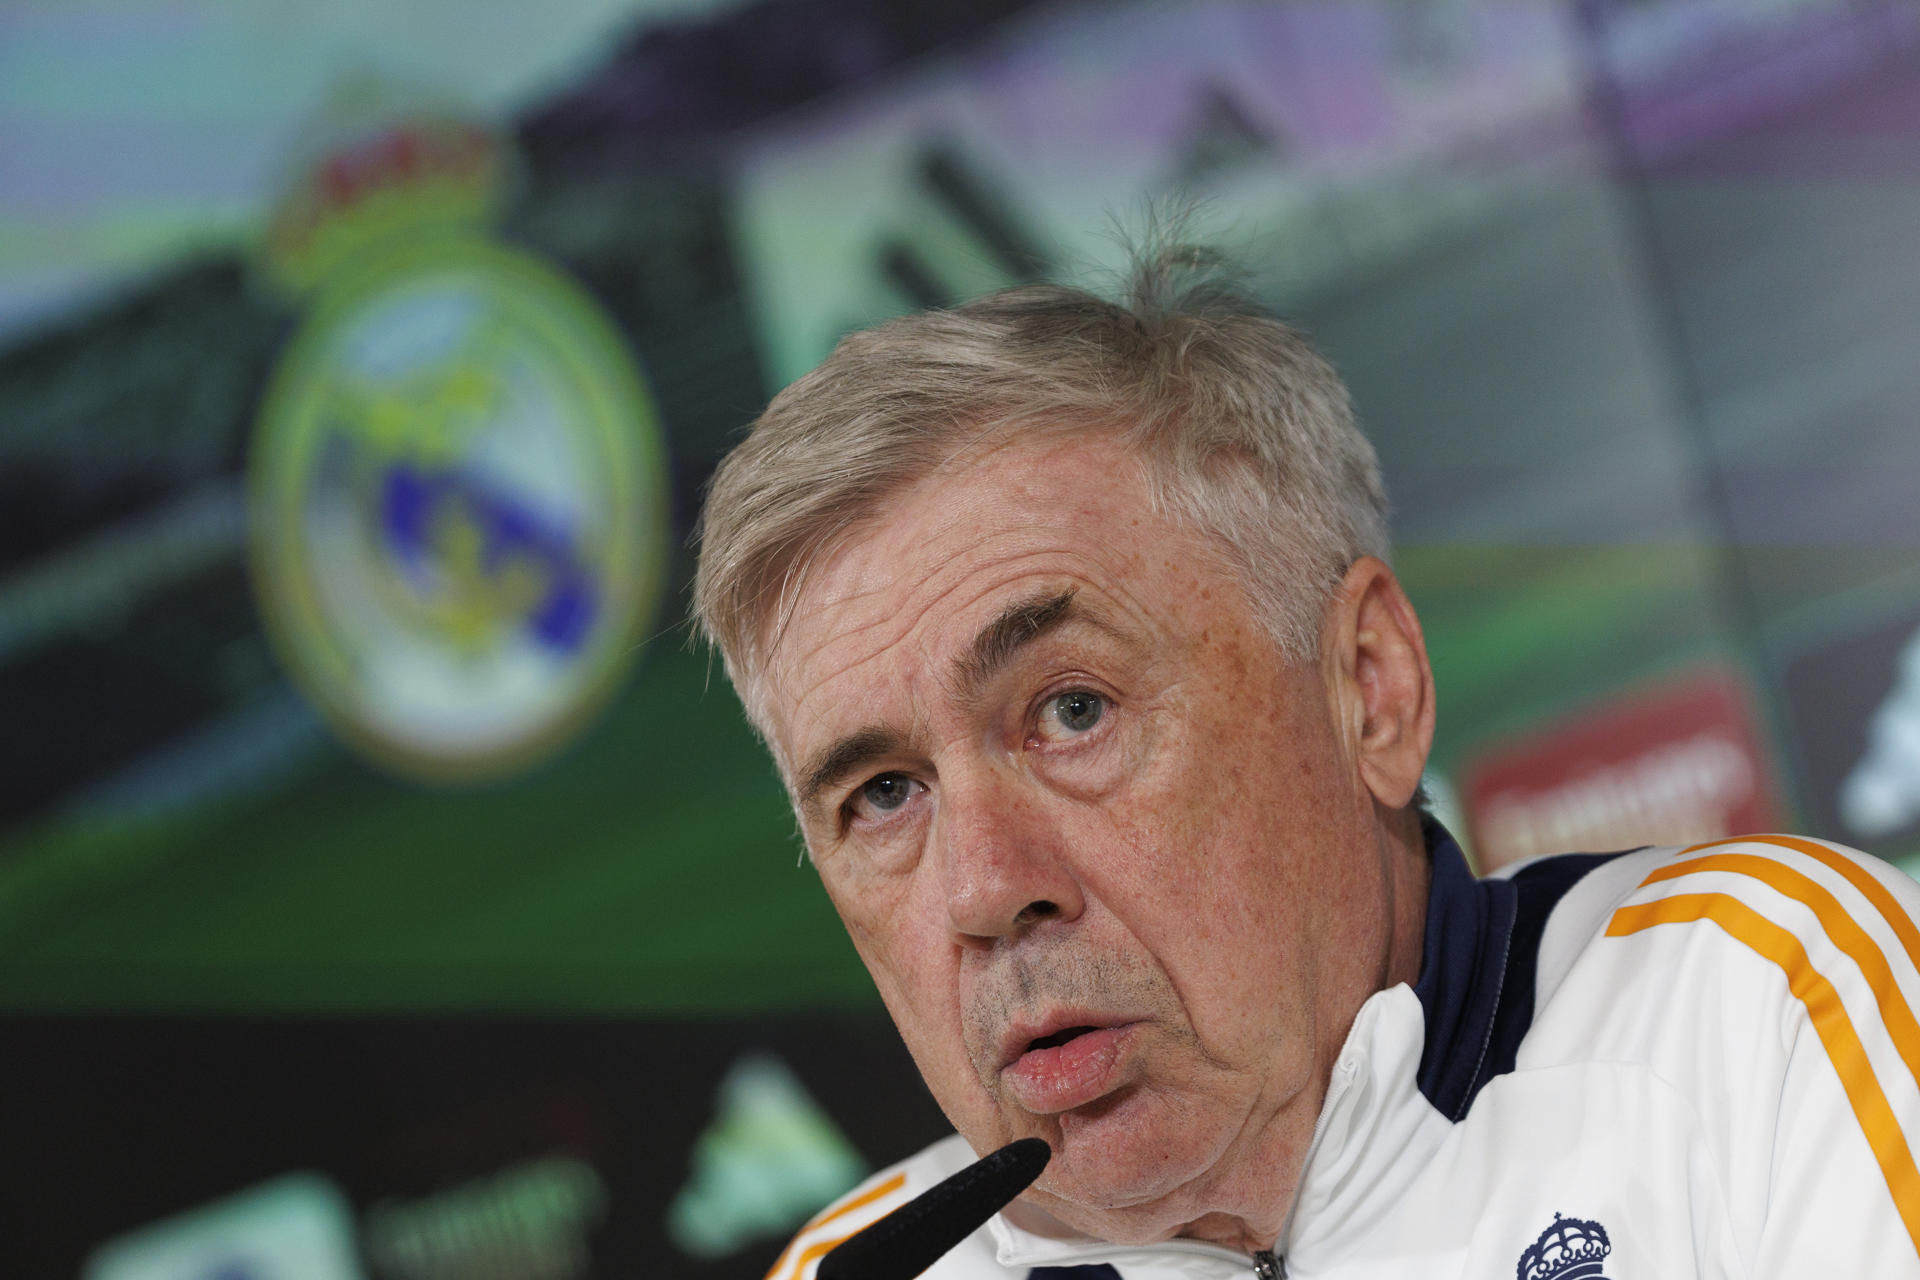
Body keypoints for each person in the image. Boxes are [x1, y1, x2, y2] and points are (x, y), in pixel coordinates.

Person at [692, 252, 1920, 1279]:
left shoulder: (1761, 1006)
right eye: (885, 794)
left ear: (1369, 687)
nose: (984, 888)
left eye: (1071, 709)